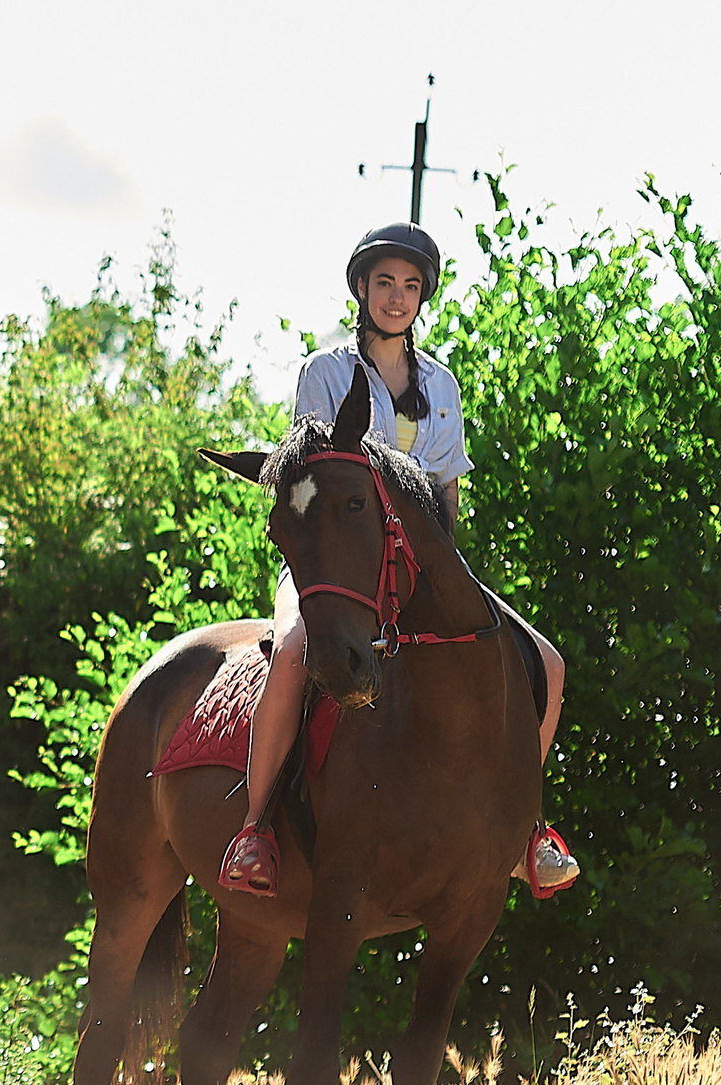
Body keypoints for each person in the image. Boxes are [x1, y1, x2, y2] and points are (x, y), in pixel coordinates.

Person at [219, 222, 578, 899]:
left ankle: (525, 830)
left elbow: (446, 491)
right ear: (361, 288)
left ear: (422, 298)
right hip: (334, 567)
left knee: (548, 663)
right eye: (384, 282)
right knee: (296, 652)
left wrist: (444, 575)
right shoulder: (324, 373)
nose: (397, 297)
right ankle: (256, 829)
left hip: (419, 568)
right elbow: (308, 479)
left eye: (410, 286)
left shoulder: (442, 384)